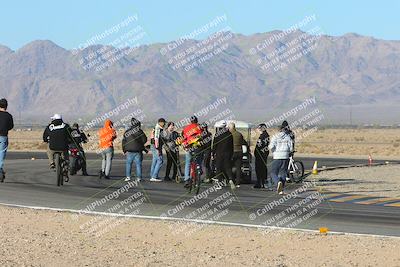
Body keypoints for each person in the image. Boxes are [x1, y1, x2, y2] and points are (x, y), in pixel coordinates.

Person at [268, 123, 294, 195]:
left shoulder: (275, 137)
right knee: (283, 173)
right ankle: (281, 189)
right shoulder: (288, 137)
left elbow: (271, 146)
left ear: (278, 130)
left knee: (273, 172)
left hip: (277, 156)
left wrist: (273, 150)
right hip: (285, 157)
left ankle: (277, 182)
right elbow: (291, 148)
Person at [181, 116, 203, 188]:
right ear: (197, 121)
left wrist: (185, 144)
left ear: (190, 121)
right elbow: (201, 137)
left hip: (188, 147)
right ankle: (196, 177)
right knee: (198, 161)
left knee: (188, 163)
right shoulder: (199, 127)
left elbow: (183, 138)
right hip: (197, 147)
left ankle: (187, 179)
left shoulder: (186, 128)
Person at [212, 121, 235, 190]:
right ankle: (230, 179)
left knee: (218, 168)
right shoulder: (229, 134)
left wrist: (213, 153)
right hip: (227, 154)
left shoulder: (217, 134)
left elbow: (214, 145)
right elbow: (231, 146)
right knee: (228, 167)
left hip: (219, 154)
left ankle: (219, 183)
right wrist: (231, 154)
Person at [122, 118, 147, 182]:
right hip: (138, 151)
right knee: (138, 164)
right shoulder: (140, 131)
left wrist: (124, 150)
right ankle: (139, 178)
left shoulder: (127, 131)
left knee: (128, 164)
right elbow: (144, 140)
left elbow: (124, 141)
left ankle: (128, 177)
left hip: (129, 151)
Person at [228, 122, 245, 188]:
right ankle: (238, 183)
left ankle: (231, 180)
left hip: (232, 152)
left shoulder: (229, 135)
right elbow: (243, 142)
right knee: (238, 168)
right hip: (239, 152)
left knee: (229, 167)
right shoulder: (239, 134)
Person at [0, 99, 13, 181]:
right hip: (3, 136)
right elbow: (11, 126)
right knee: (1, 153)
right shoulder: (8, 116)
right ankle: (0, 168)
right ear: (6, 106)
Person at [253, 124, 270, 189]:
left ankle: (260, 182)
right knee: (262, 168)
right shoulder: (264, 135)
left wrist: (258, 152)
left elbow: (260, 146)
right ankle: (262, 182)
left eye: (259, 128)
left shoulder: (264, 136)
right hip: (261, 154)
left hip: (261, 155)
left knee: (260, 168)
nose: (258, 129)